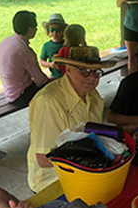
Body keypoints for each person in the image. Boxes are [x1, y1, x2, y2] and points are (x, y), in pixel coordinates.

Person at [27, 46, 115, 193]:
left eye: (96, 72)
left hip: (86, 173)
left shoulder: (93, 96)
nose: (92, 78)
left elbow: (94, 136)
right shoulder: (48, 102)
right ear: (68, 69)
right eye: (84, 71)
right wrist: (91, 161)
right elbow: (44, 159)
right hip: (51, 182)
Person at [0, 10, 50, 107]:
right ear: (30, 30)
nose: (36, 30)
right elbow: (40, 80)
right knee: (55, 89)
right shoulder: (24, 51)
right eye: (35, 27)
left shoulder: (5, 41)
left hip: (9, 91)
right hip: (20, 96)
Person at [39, 13, 67, 79]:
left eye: (58, 30)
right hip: (54, 76)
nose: (55, 33)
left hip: (67, 76)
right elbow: (42, 61)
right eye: (52, 30)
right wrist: (50, 65)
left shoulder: (67, 44)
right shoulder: (47, 46)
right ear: (48, 30)